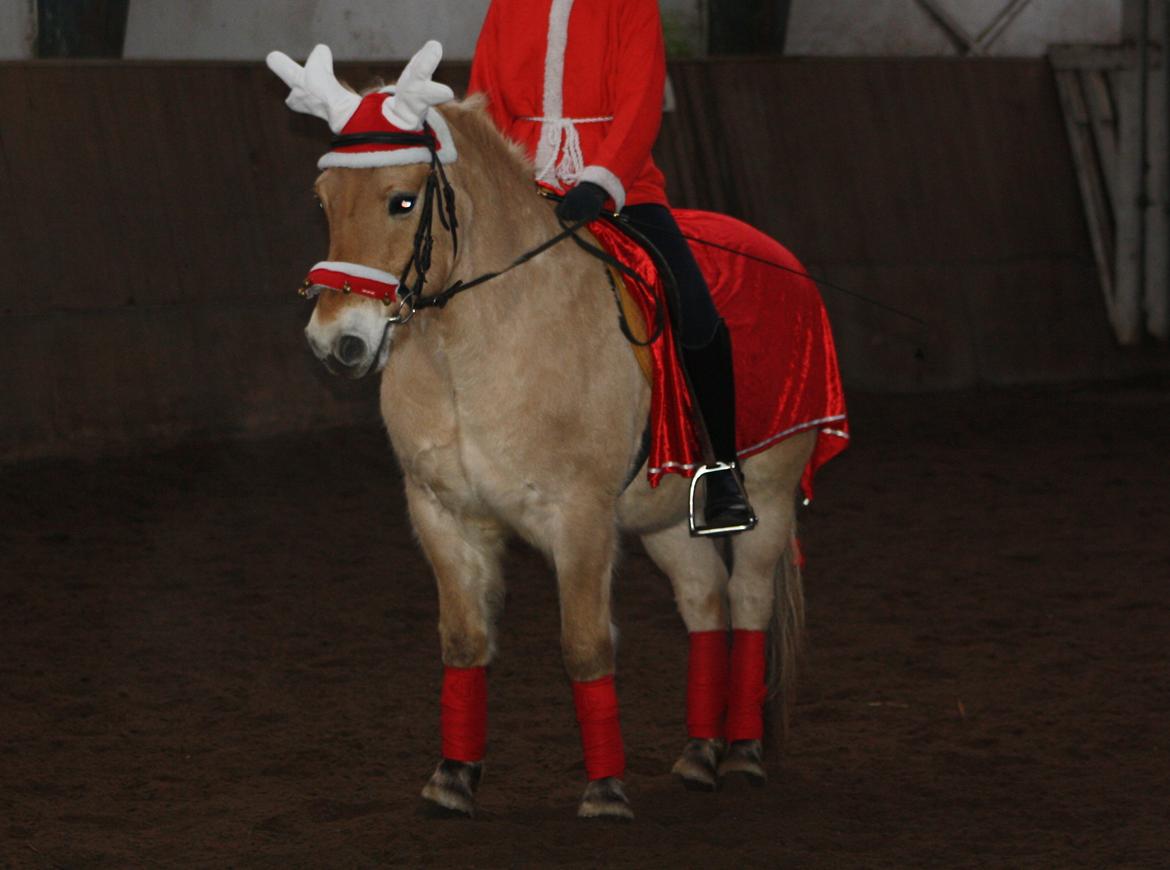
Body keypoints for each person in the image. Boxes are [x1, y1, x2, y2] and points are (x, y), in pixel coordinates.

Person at [469, 0, 755, 534]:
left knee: (691, 306)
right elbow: (485, 100)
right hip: (523, 181)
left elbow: (641, 99)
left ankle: (721, 470)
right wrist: (502, 178)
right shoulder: (507, 6)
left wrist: (600, 181)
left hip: (618, 183)